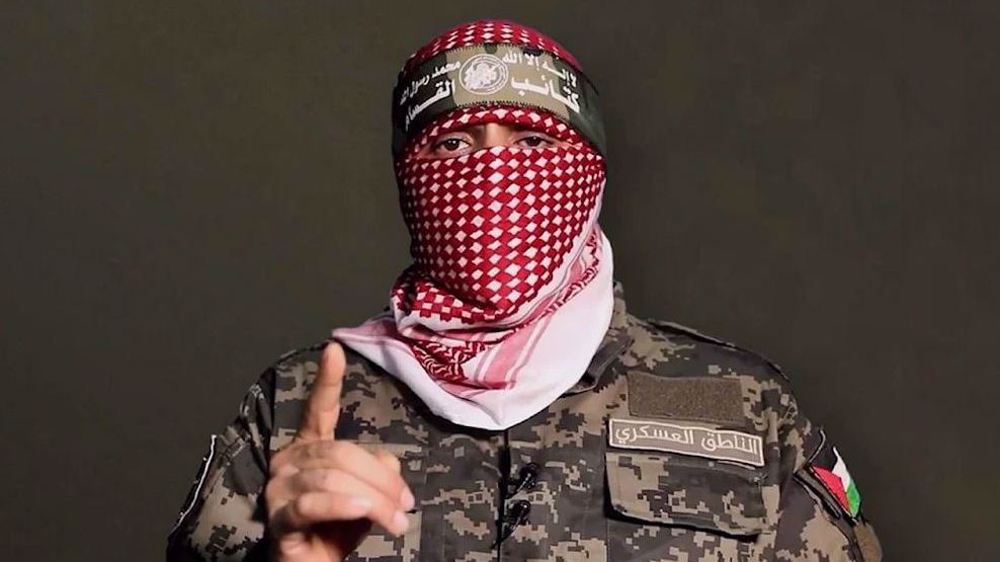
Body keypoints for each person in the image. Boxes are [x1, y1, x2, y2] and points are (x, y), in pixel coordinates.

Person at [166, 19, 882, 562]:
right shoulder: (296, 409)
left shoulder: (731, 401)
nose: (494, 174)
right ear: (410, 181)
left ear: (590, 173)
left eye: (534, 145)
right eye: (453, 145)